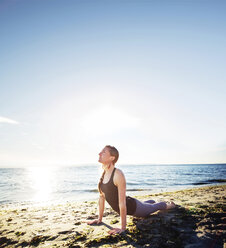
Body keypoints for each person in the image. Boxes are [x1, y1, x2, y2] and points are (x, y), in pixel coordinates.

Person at [87, 145, 176, 235]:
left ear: (112, 158)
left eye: (103, 152)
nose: (99, 153)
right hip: (131, 203)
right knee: (150, 202)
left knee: (156, 206)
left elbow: (122, 203)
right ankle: (150, 202)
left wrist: (123, 228)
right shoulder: (103, 174)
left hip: (133, 208)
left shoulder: (118, 174)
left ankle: (171, 205)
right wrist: (99, 219)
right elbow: (102, 197)